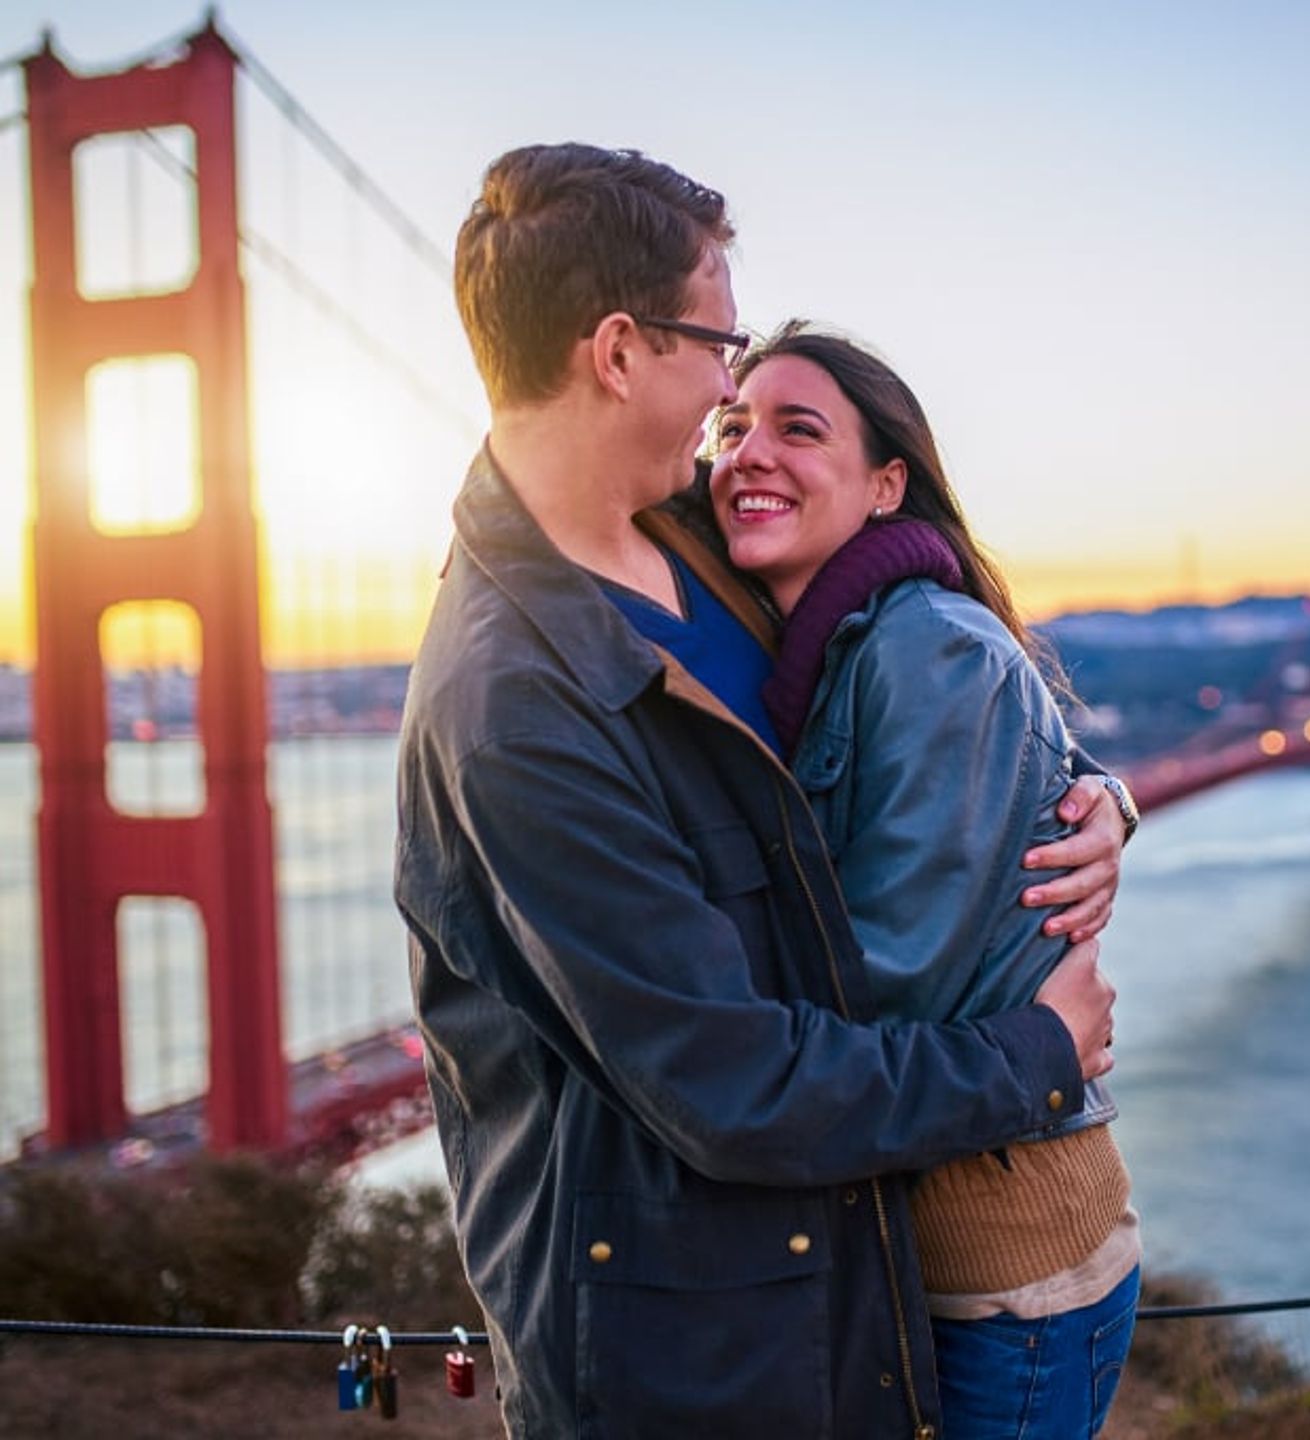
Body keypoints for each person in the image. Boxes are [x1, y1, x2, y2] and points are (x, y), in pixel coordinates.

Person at [395, 142, 1126, 1439]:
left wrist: (1088, 802)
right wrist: (1036, 1056)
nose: (729, 390)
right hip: (691, 1351)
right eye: (715, 346)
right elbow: (730, 1084)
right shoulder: (512, 705)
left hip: (837, 1275)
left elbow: (932, 689)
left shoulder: (693, 543)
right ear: (619, 353)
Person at [707, 321, 1141, 1439]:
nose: (747, 451)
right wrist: (1106, 795)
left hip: (1003, 1264)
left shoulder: (925, 648)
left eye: (799, 430)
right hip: (919, 1248)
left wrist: (670, 1010)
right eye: (730, 424)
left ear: (887, 484)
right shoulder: (814, 647)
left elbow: (894, 980)